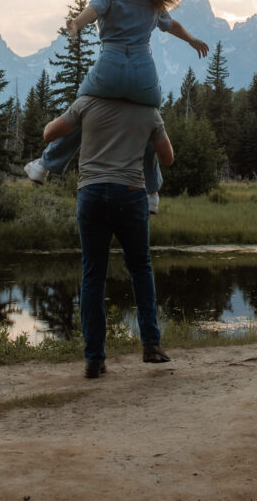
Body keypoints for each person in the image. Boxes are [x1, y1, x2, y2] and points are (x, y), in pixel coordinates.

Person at [25, 0, 208, 212]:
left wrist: (76, 22)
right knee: (146, 123)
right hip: (143, 75)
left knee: (80, 113)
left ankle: (44, 166)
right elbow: (173, 26)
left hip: (109, 70)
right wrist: (191, 40)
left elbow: (94, 10)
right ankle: (152, 193)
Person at [43, 94, 175, 378]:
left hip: (91, 193)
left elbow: (49, 133)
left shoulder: (87, 103)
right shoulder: (147, 109)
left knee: (93, 275)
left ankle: (94, 360)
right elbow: (168, 158)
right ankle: (151, 345)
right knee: (140, 267)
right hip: (131, 194)